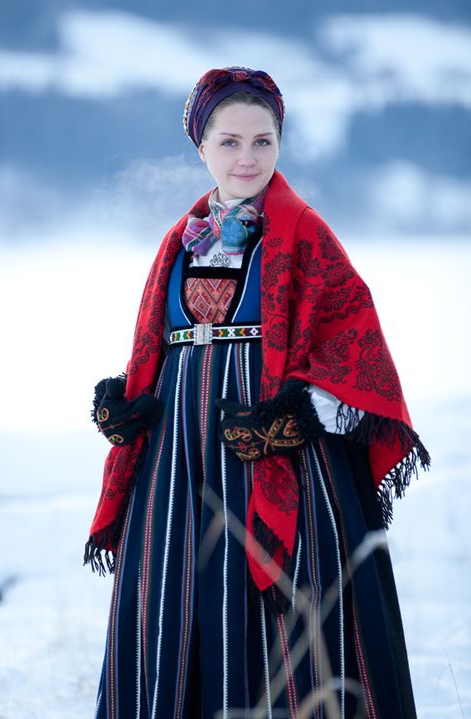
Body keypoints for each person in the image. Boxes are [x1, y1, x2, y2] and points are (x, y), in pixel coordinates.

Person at [87, 67, 430, 719]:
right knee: (173, 594)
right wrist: (126, 401)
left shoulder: (306, 234)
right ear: (201, 147)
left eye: (263, 142)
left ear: (280, 143)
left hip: (275, 450)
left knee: (276, 609)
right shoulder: (178, 242)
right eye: (230, 142)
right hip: (177, 462)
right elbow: (158, 341)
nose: (247, 158)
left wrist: (299, 414)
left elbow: (358, 349)